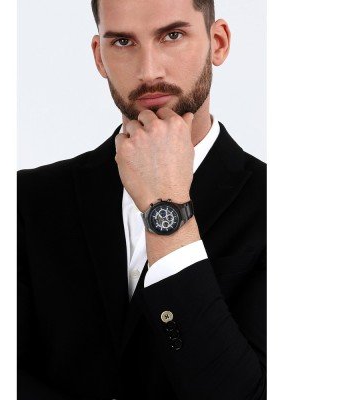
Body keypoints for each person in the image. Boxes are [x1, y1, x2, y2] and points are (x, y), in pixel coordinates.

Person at [17, 0, 266, 399]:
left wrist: (166, 202)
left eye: (172, 35)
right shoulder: (27, 201)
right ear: (99, 56)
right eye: (123, 42)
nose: (149, 71)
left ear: (217, 43)